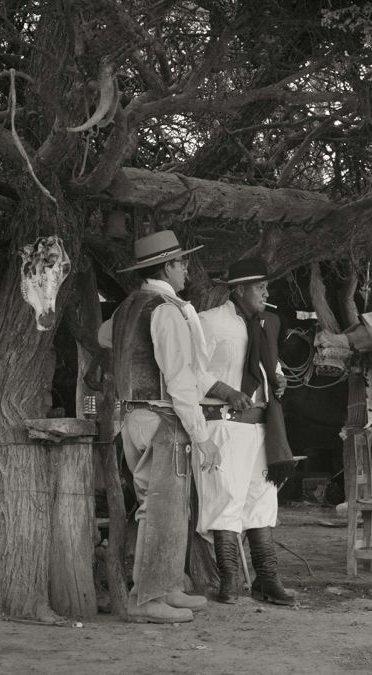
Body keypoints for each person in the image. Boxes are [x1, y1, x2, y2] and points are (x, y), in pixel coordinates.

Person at [101, 230, 212, 623]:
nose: (186, 269)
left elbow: (106, 341)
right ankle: (148, 597)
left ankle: (166, 586)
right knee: (163, 509)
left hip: (131, 416)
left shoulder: (129, 306)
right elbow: (179, 379)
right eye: (182, 262)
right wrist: (202, 436)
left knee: (159, 507)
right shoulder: (165, 309)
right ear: (167, 265)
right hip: (162, 420)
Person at [195, 257, 298, 605]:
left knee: (262, 500)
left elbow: (270, 367)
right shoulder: (209, 323)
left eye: (266, 287)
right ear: (239, 289)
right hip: (223, 425)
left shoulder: (267, 324)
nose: (266, 293)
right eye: (260, 287)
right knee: (225, 499)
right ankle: (229, 581)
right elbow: (191, 370)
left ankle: (267, 580)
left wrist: (279, 378)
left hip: (260, 427)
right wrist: (227, 391)